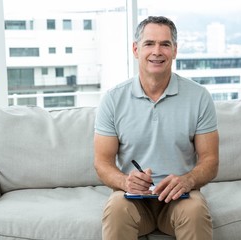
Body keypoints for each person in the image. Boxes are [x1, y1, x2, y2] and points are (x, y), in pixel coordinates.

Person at [94, 16, 219, 240]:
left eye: (165, 44)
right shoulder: (112, 99)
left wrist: (188, 180)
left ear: (175, 50)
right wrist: (125, 182)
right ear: (135, 49)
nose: (157, 51)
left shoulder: (199, 97)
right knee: (115, 209)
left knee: (196, 210)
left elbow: (210, 160)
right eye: (149, 44)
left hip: (180, 197)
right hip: (132, 199)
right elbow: (102, 162)